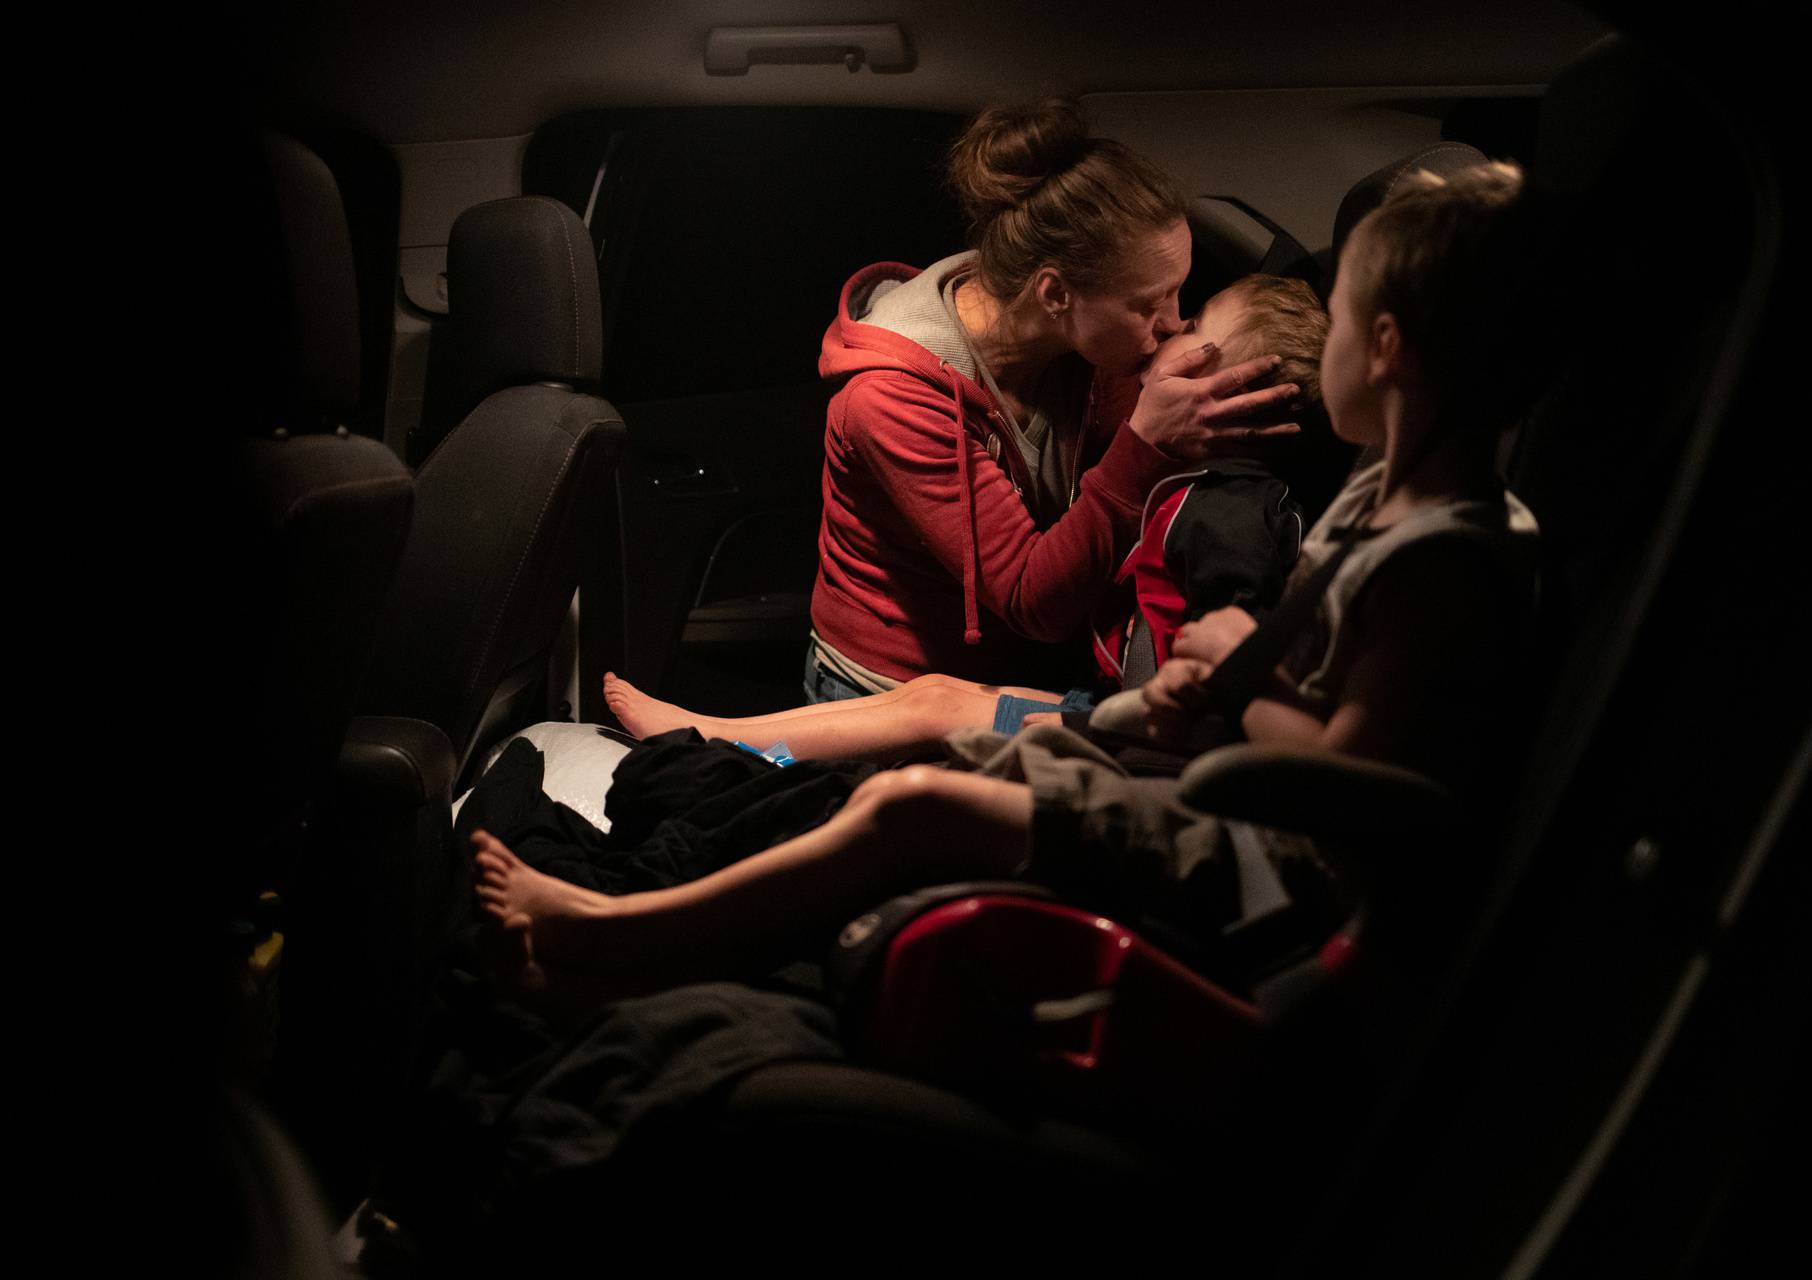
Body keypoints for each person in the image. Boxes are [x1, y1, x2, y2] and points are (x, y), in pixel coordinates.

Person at [475, 161, 1550, 993]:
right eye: (1158, 303)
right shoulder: (1374, 500)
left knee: (911, 803)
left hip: (1252, 848)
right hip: (1198, 759)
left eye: (1341, 318)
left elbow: (1351, 783)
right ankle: (701, 793)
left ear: (1391, 348)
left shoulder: (1442, 556)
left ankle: (612, 935)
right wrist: (1212, 688)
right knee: (927, 762)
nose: (1174, 328)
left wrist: (1235, 678)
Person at [600, 273, 1336, 761]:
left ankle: (709, 739)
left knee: (934, 707)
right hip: (1120, 711)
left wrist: (1149, 713)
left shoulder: (1226, 514)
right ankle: (713, 732)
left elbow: (1224, 670)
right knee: (931, 693)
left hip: (1146, 736)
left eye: (1194, 322)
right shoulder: (1183, 476)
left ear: (1230, 388)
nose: (1170, 326)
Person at [804, 97, 1302, 703]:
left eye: (1179, 295)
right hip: (886, 690)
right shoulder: (890, 398)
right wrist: (1145, 445)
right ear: (1055, 294)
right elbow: (1031, 599)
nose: (1172, 324)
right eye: (1148, 304)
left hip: (1011, 681)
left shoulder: (1094, 346)